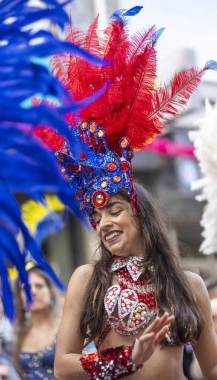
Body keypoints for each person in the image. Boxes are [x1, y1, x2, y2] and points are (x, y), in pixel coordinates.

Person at [34, 5, 217, 380]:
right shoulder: (88, 279)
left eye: (114, 210)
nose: (103, 224)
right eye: (96, 217)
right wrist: (124, 358)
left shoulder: (189, 285)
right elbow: (63, 367)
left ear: (139, 211)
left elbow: (211, 365)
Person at [14, 265, 62, 379]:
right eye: (25, 287)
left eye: (39, 286)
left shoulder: (64, 327)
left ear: (51, 291)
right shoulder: (19, 333)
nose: (32, 292)